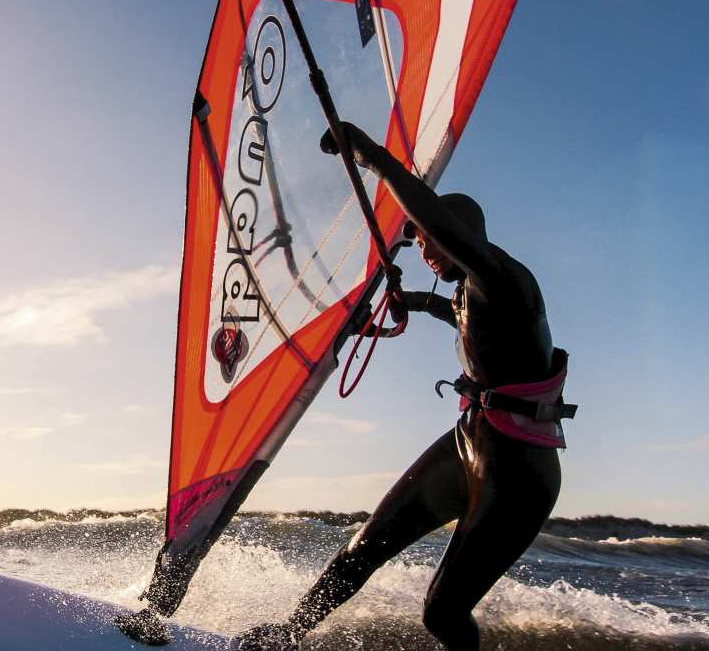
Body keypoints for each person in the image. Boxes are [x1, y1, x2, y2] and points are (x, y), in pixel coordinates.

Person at [236, 122, 574, 651]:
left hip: (520, 471)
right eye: (418, 243)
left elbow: (439, 220)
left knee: (442, 613)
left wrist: (371, 155)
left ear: (464, 236)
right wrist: (415, 302)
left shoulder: (504, 278)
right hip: (473, 442)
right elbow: (459, 313)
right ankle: (288, 636)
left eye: (430, 239)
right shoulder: (469, 290)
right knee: (361, 550)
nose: (424, 250)